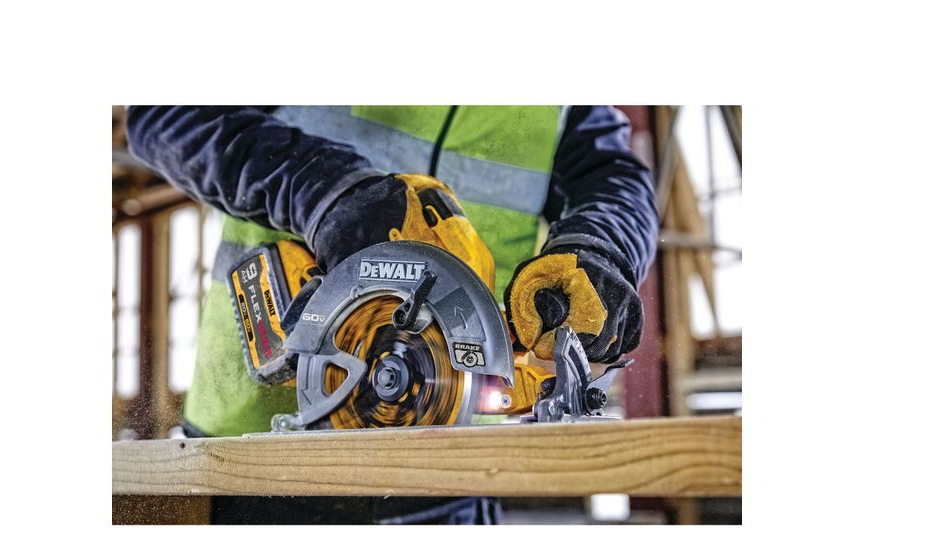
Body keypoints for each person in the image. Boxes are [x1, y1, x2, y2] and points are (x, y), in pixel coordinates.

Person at [126, 106, 658, 524]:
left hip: (456, 453)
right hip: (250, 452)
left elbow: (614, 179)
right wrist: (326, 190)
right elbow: (164, 115)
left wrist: (602, 247)